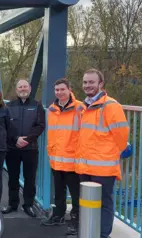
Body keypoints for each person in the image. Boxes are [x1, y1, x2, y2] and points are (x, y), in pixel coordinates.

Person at [76, 69, 129, 238]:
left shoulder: (111, 106)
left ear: (101, 84)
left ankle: (103, 235)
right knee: (86, 203)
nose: (87, 86)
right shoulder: (84, 107)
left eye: (91, 82)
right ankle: (89, 233)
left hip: (103, 167)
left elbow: (122, 136)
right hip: (85, 166)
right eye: (85, 82)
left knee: (105, 203)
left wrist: (110, 154)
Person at [41, 78, 82, 236]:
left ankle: (76, 222)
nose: (59, 92)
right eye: (57, 90)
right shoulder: (52, 109)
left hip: (73, 160)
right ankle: (58, 215)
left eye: (62, 89)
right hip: (56, 159)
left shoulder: (79, 108)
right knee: (58, 191)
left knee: (76, 194)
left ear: (69, 89)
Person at [3, 79, 45, 218]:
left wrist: (27, 139)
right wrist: (16, 139)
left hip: (30, 148)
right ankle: (12, 203)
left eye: (25, 86)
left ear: (30, 88)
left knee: (30, 178)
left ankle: (28, 205)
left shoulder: (37, 105)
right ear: (16, 90)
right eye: (20, 87)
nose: (22, 89)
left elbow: (40, 125)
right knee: (13, 177)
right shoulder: (9, 105)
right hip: (13, 147)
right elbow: (6, 126)